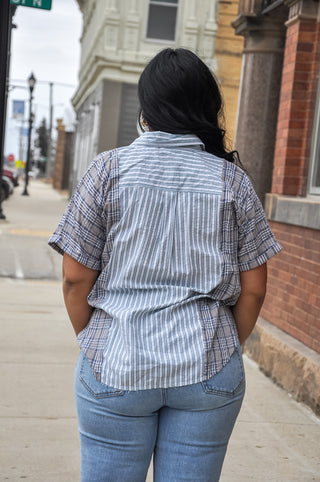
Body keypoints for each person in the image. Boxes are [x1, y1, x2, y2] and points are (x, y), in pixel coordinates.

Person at [49, 48, 282, 482]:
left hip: (117, 360)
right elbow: (254, 288)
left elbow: (74, 278)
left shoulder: (107, 171)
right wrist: (226, 344)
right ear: (207, 109)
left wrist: (97, 340)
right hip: (207, 366)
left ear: (147, 108)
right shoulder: (232, 180)